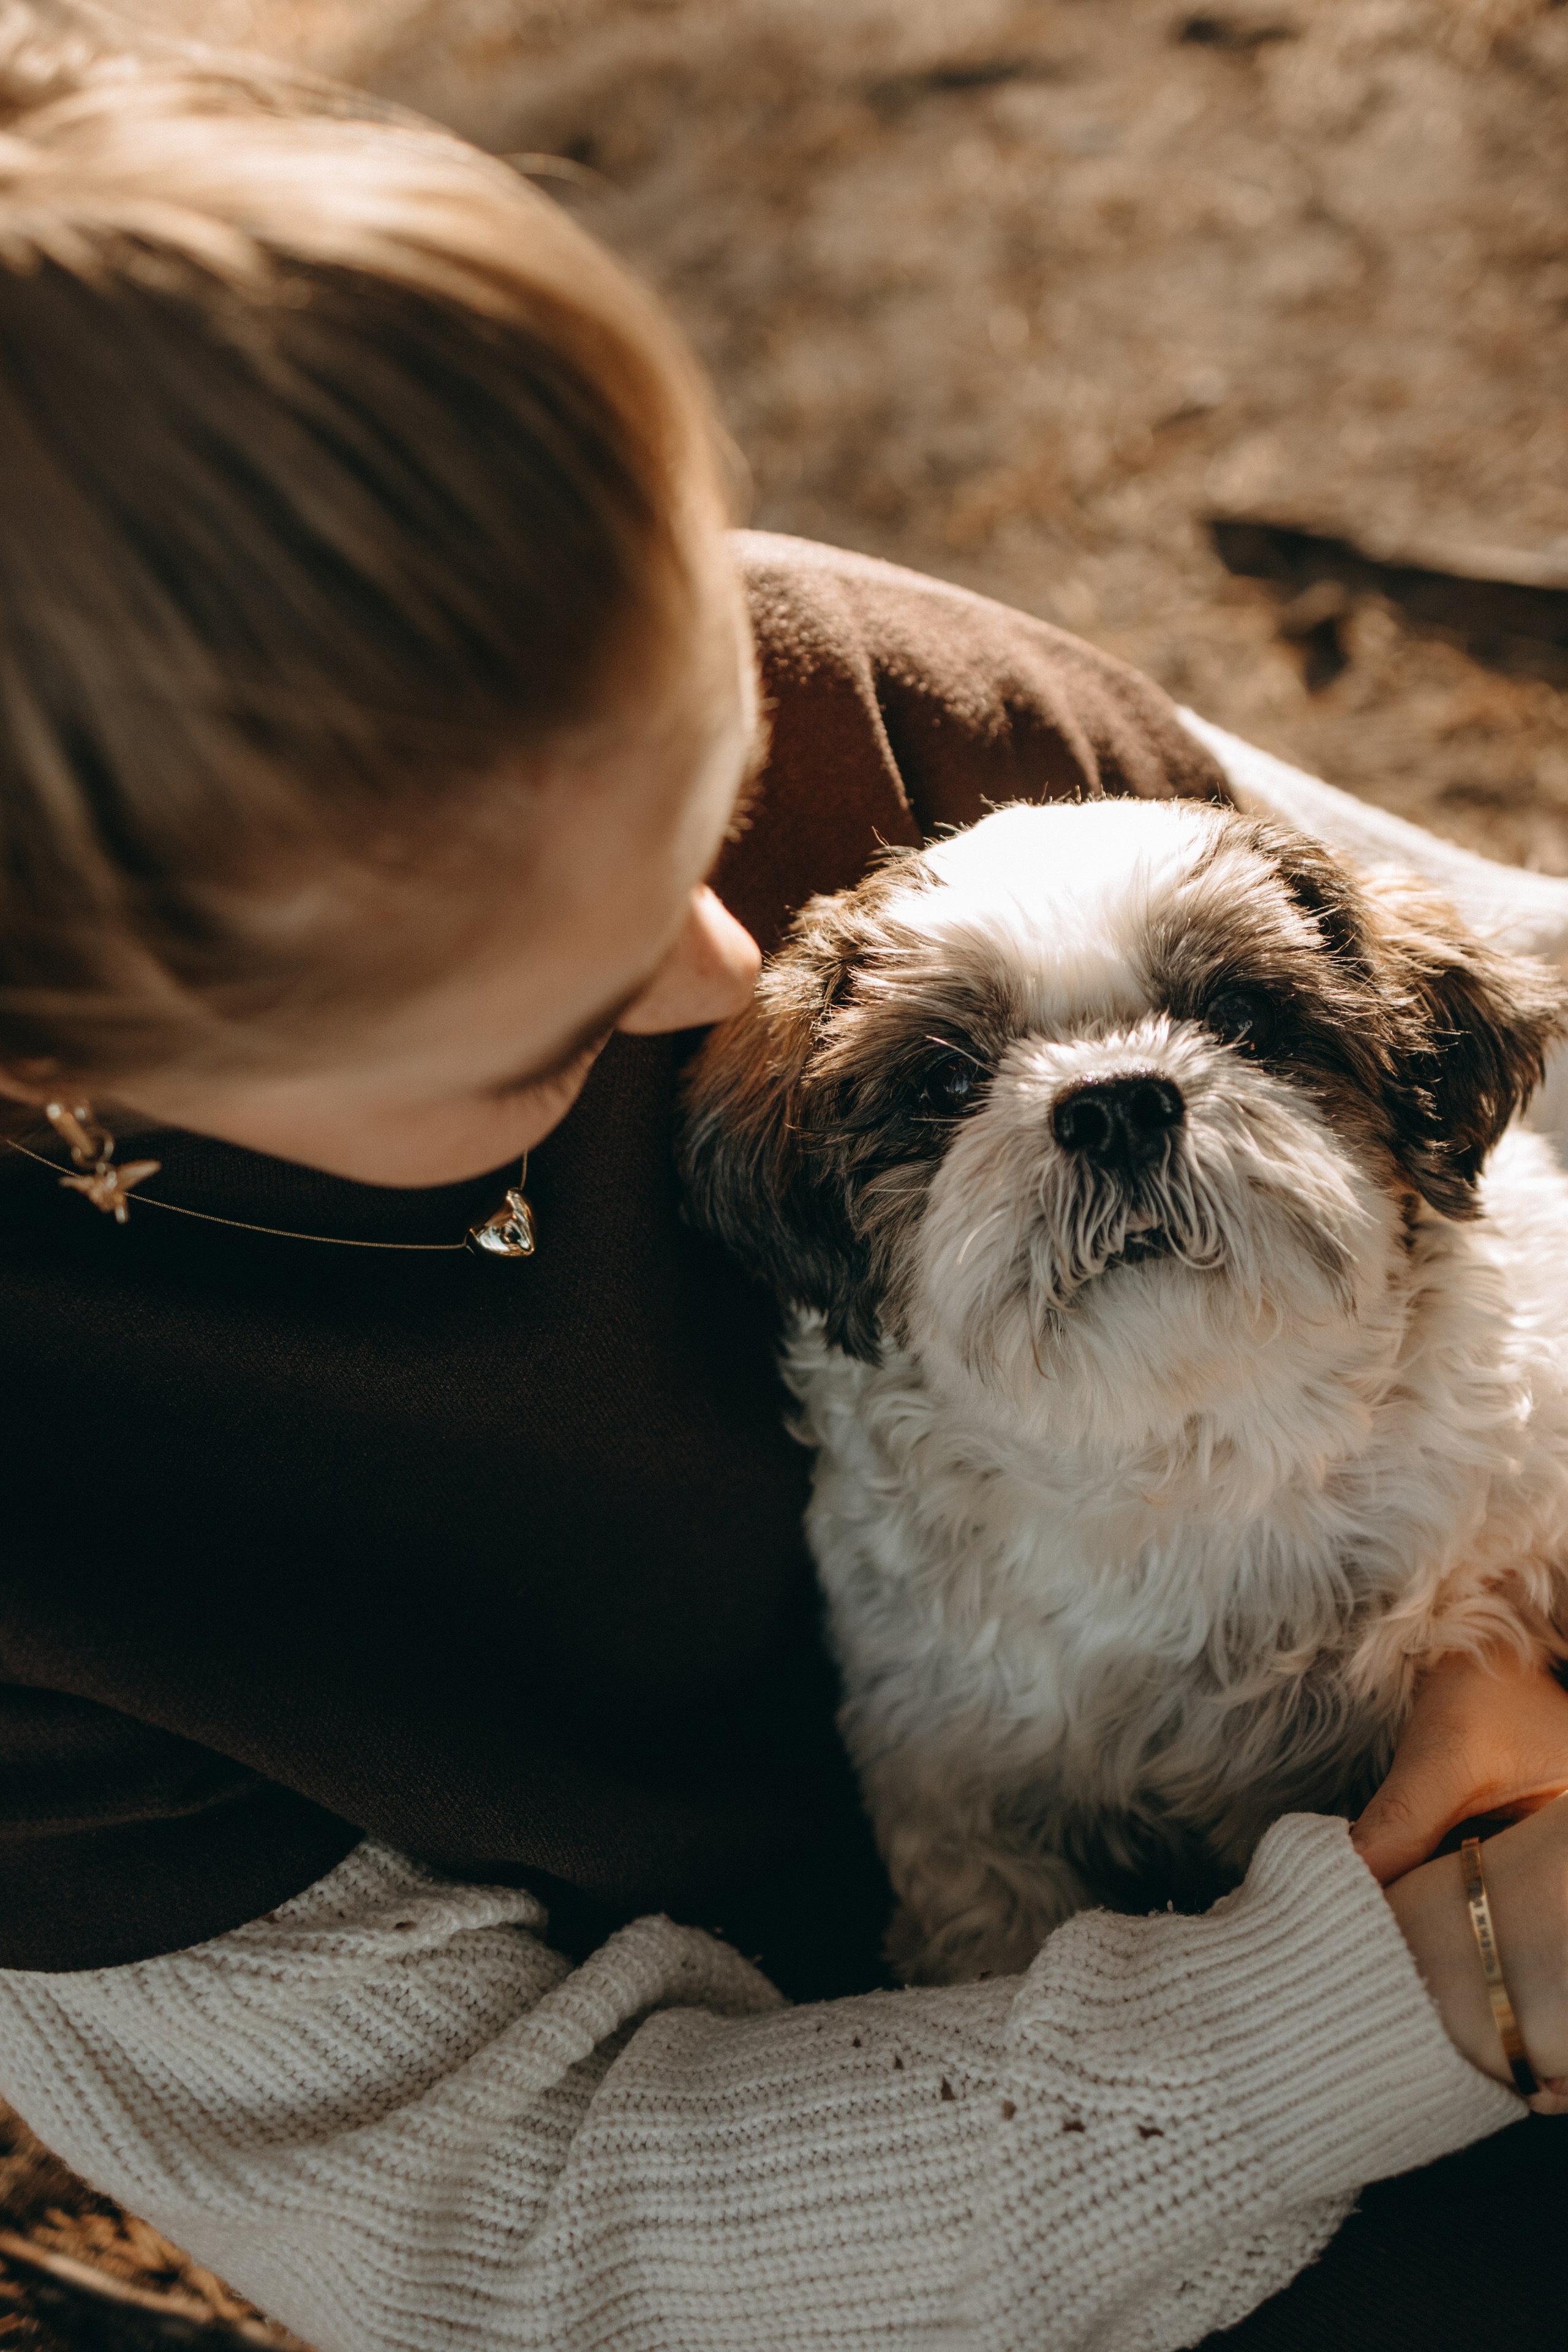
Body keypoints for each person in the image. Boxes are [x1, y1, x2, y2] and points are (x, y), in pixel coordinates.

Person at [0, 18, 1563, 2350]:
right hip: (970, 2202)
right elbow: (535, 2241)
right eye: (542, 999)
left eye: (705, 762)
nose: (727, 969)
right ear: (61, 1076)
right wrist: (1430, 1995)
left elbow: (1473, 975)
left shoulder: (882, 699)